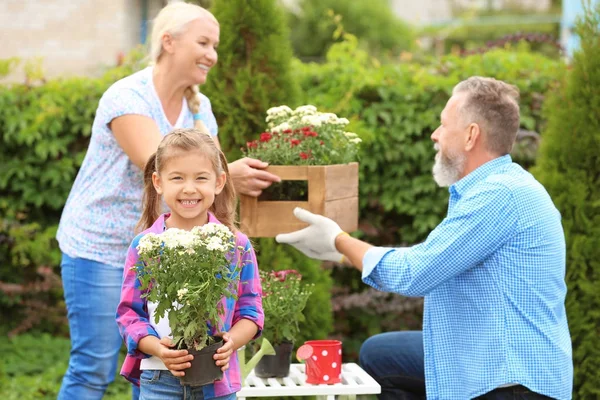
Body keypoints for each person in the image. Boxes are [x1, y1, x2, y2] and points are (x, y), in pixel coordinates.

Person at [276, 77, 573, 400]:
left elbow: (415, 273)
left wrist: (338, 240)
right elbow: (431, 258)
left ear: (471, 135)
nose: (435, 134)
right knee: (381, 354)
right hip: (488, 351)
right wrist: (344, 253)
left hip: (512, 381)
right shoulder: (498, 187)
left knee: (383, 357)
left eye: (443, 125)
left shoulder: (498, 195)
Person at [55, 3, 278, 399]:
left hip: (173, 252)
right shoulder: (126, 97)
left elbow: (205, 178)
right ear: (169, 42)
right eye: (204, 42)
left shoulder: (200, 108)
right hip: (101, 247)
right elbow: (157, 162)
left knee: (162, 361)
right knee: (94, 366)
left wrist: (228, 180)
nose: (212, 54)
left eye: (216, 45)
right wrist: (230, 173)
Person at [116, 128, 263, 399]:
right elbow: (129, 314)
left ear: (218, 182)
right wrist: (159, 348)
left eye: (201, 178)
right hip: (159, 378)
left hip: (217, 381)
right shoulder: (145, 246)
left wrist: (232, 341)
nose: (189, 188)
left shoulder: (236, 245)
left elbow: (251, 311)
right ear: (158, 183)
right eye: (177, 178)